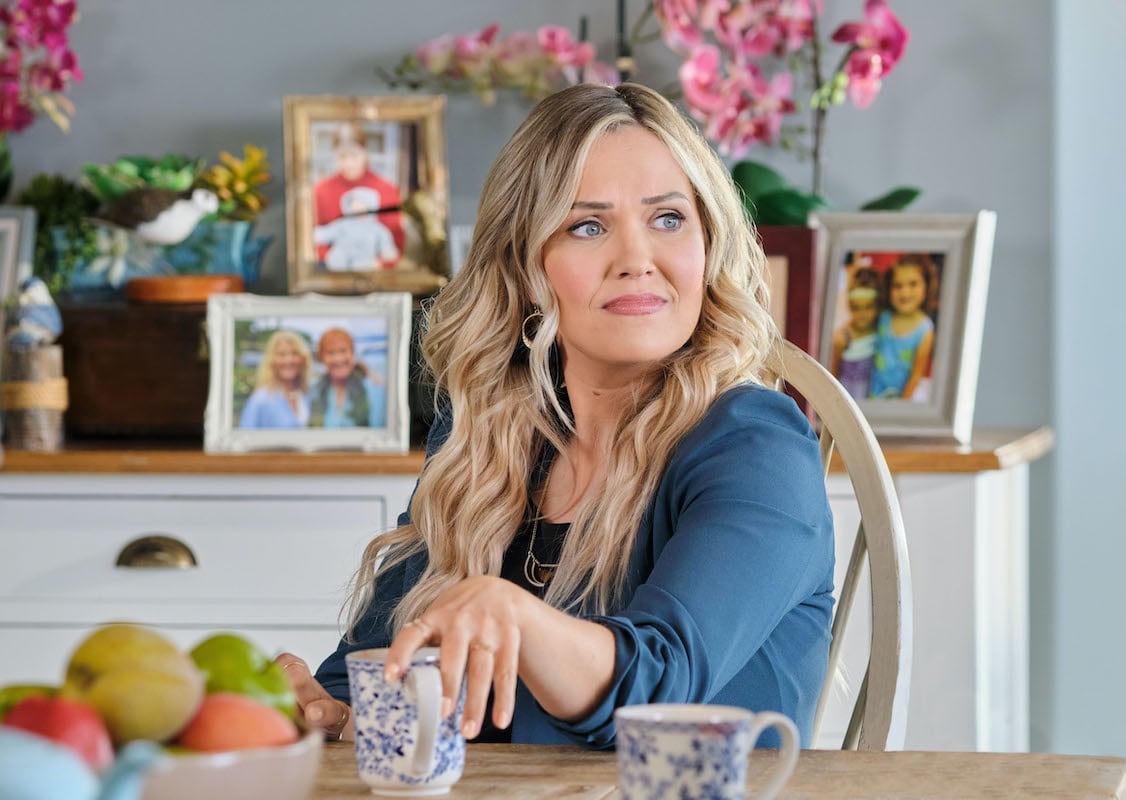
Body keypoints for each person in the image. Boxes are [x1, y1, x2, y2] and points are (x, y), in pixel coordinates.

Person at [276, 83, 835, 750]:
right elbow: (375, 664)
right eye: (587, 226)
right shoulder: (487, 434)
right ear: (523, 267)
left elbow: (655, 684)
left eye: (668, 219)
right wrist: (323, 705)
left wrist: (508, 610)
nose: (637, 260)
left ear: (709, 245)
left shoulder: (756, 447)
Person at [312, 122, 405, 269]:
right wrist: (329, 258)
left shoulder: (387, 189)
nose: (349, 163)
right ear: (335, 155)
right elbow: (315, 234)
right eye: (342, 156)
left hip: (375, 270)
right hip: (331, 266)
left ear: (365, 152)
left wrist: (380, 263)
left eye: (354, 155)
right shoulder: (321, 190)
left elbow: (395, 238)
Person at [870, 253, 937, 400]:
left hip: (900, 398)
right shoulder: (883, 317)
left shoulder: (925, 329)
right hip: (872, 394)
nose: (905, 292)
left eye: (913, 284)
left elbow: (916, 376)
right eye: (897, 285)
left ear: (926, 285)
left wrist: (901, 405)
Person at [309, 327, 386, 429]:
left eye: (343, 351)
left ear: (352, 353)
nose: (338, 359)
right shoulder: (314, 391)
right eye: (331, 353)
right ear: (321, 357)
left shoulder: (372, 386)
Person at [314, 186, 401, 271]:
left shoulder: (377, 229)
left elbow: (387, 248)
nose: (357, 207)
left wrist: (386, 257)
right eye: (354, 203)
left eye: (361, 203)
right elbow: (326, 233)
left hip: (363, 267)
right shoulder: (343, 223)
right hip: (337, 266)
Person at [238, 330, 313, 428]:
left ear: (303, 359)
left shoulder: (303, 395)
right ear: (272, 361)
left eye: (294, 353)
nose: (289, 360)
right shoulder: (260, 400)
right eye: (282, 354)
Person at [829, 265, 880, 401]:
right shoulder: (843, 336)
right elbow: (833, 373)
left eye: (868, 306)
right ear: (849, 305)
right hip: (849, 399)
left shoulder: (880, 330)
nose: (862, 314)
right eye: (856, 307)